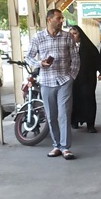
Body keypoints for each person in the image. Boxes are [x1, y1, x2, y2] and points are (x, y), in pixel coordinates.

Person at [26, 9, 79, 160]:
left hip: (64, 80)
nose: (62, 21)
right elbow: (28, 57)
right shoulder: (38, 37)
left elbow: (75, 58)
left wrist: (72, 76)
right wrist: (39, 63)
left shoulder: (67, 37)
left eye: (62, 18)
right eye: (59, 18)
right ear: (50, 20)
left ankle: (65, 147)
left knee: (64, 114)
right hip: (46, 81)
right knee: (51, 115)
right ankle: (56, 145)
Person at [69, 25, 101, 133]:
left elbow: (97, 59)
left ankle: (90, 124)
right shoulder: (66, 47)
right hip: (72, 79)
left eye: (75, 33)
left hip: (88, 78)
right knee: (74, 100)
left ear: (80, 35)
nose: (72, 36)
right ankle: (74, 121)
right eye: (70, 34)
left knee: (88, 99)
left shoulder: (88, 47)